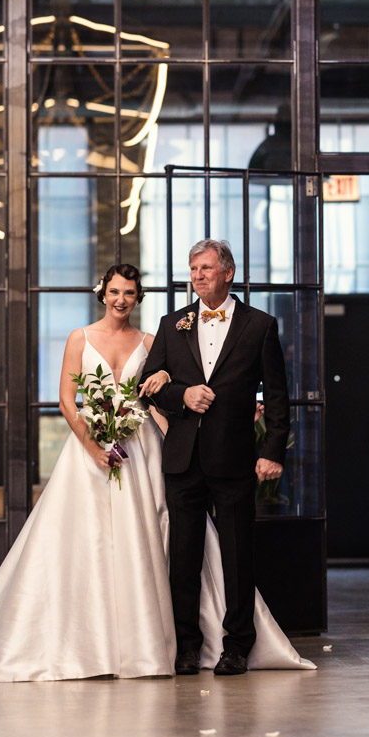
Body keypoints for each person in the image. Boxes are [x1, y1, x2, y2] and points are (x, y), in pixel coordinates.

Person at [0, 263, 314, 682]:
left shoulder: (162, 336)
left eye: (128, 293)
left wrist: (172, 407)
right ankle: (137, 643)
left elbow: (157, 392)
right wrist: (94, 446)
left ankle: (219, 643)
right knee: (118, 546)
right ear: (102, 292)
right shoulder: (113, 332)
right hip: (95, 453)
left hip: (151, 449)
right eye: (114, 291)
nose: (120, 299)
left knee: (159, 540)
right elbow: (68, 400)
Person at [142, 239, 290, 677]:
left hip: (234, 458)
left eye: (206, 268)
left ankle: (237, 646)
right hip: (183, 459)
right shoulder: (173, 324)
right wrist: (181, 394)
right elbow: (146, 383)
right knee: (183, 557)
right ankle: (187, 646)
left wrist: (273, 451)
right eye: (193, 269)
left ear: (227, 272)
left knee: (238, 556)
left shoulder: (260, 326)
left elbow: (278, 398)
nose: (198, 275)